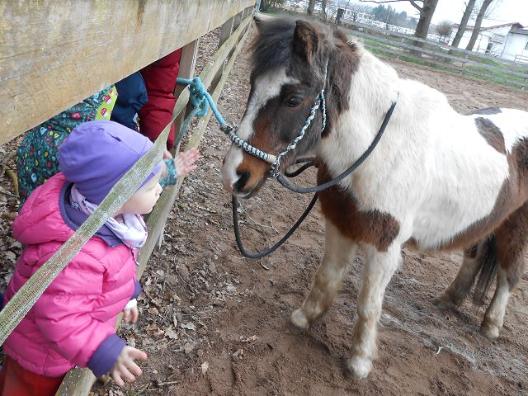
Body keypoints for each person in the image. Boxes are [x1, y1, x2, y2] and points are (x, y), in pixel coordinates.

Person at [0, 120, 199, 395]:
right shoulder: (74, 256)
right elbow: (62, 318)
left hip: (66, 345)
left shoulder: (102, 213)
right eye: (151, 183)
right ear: (115, 196)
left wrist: (127, 294)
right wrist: (105, 351)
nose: (159, 187)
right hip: (40, 354)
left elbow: (114, 268)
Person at [16, 86, 118, 205]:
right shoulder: (106, 88)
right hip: (70, 155)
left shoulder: (49, 81)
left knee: (29, 202)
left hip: (35, 144)